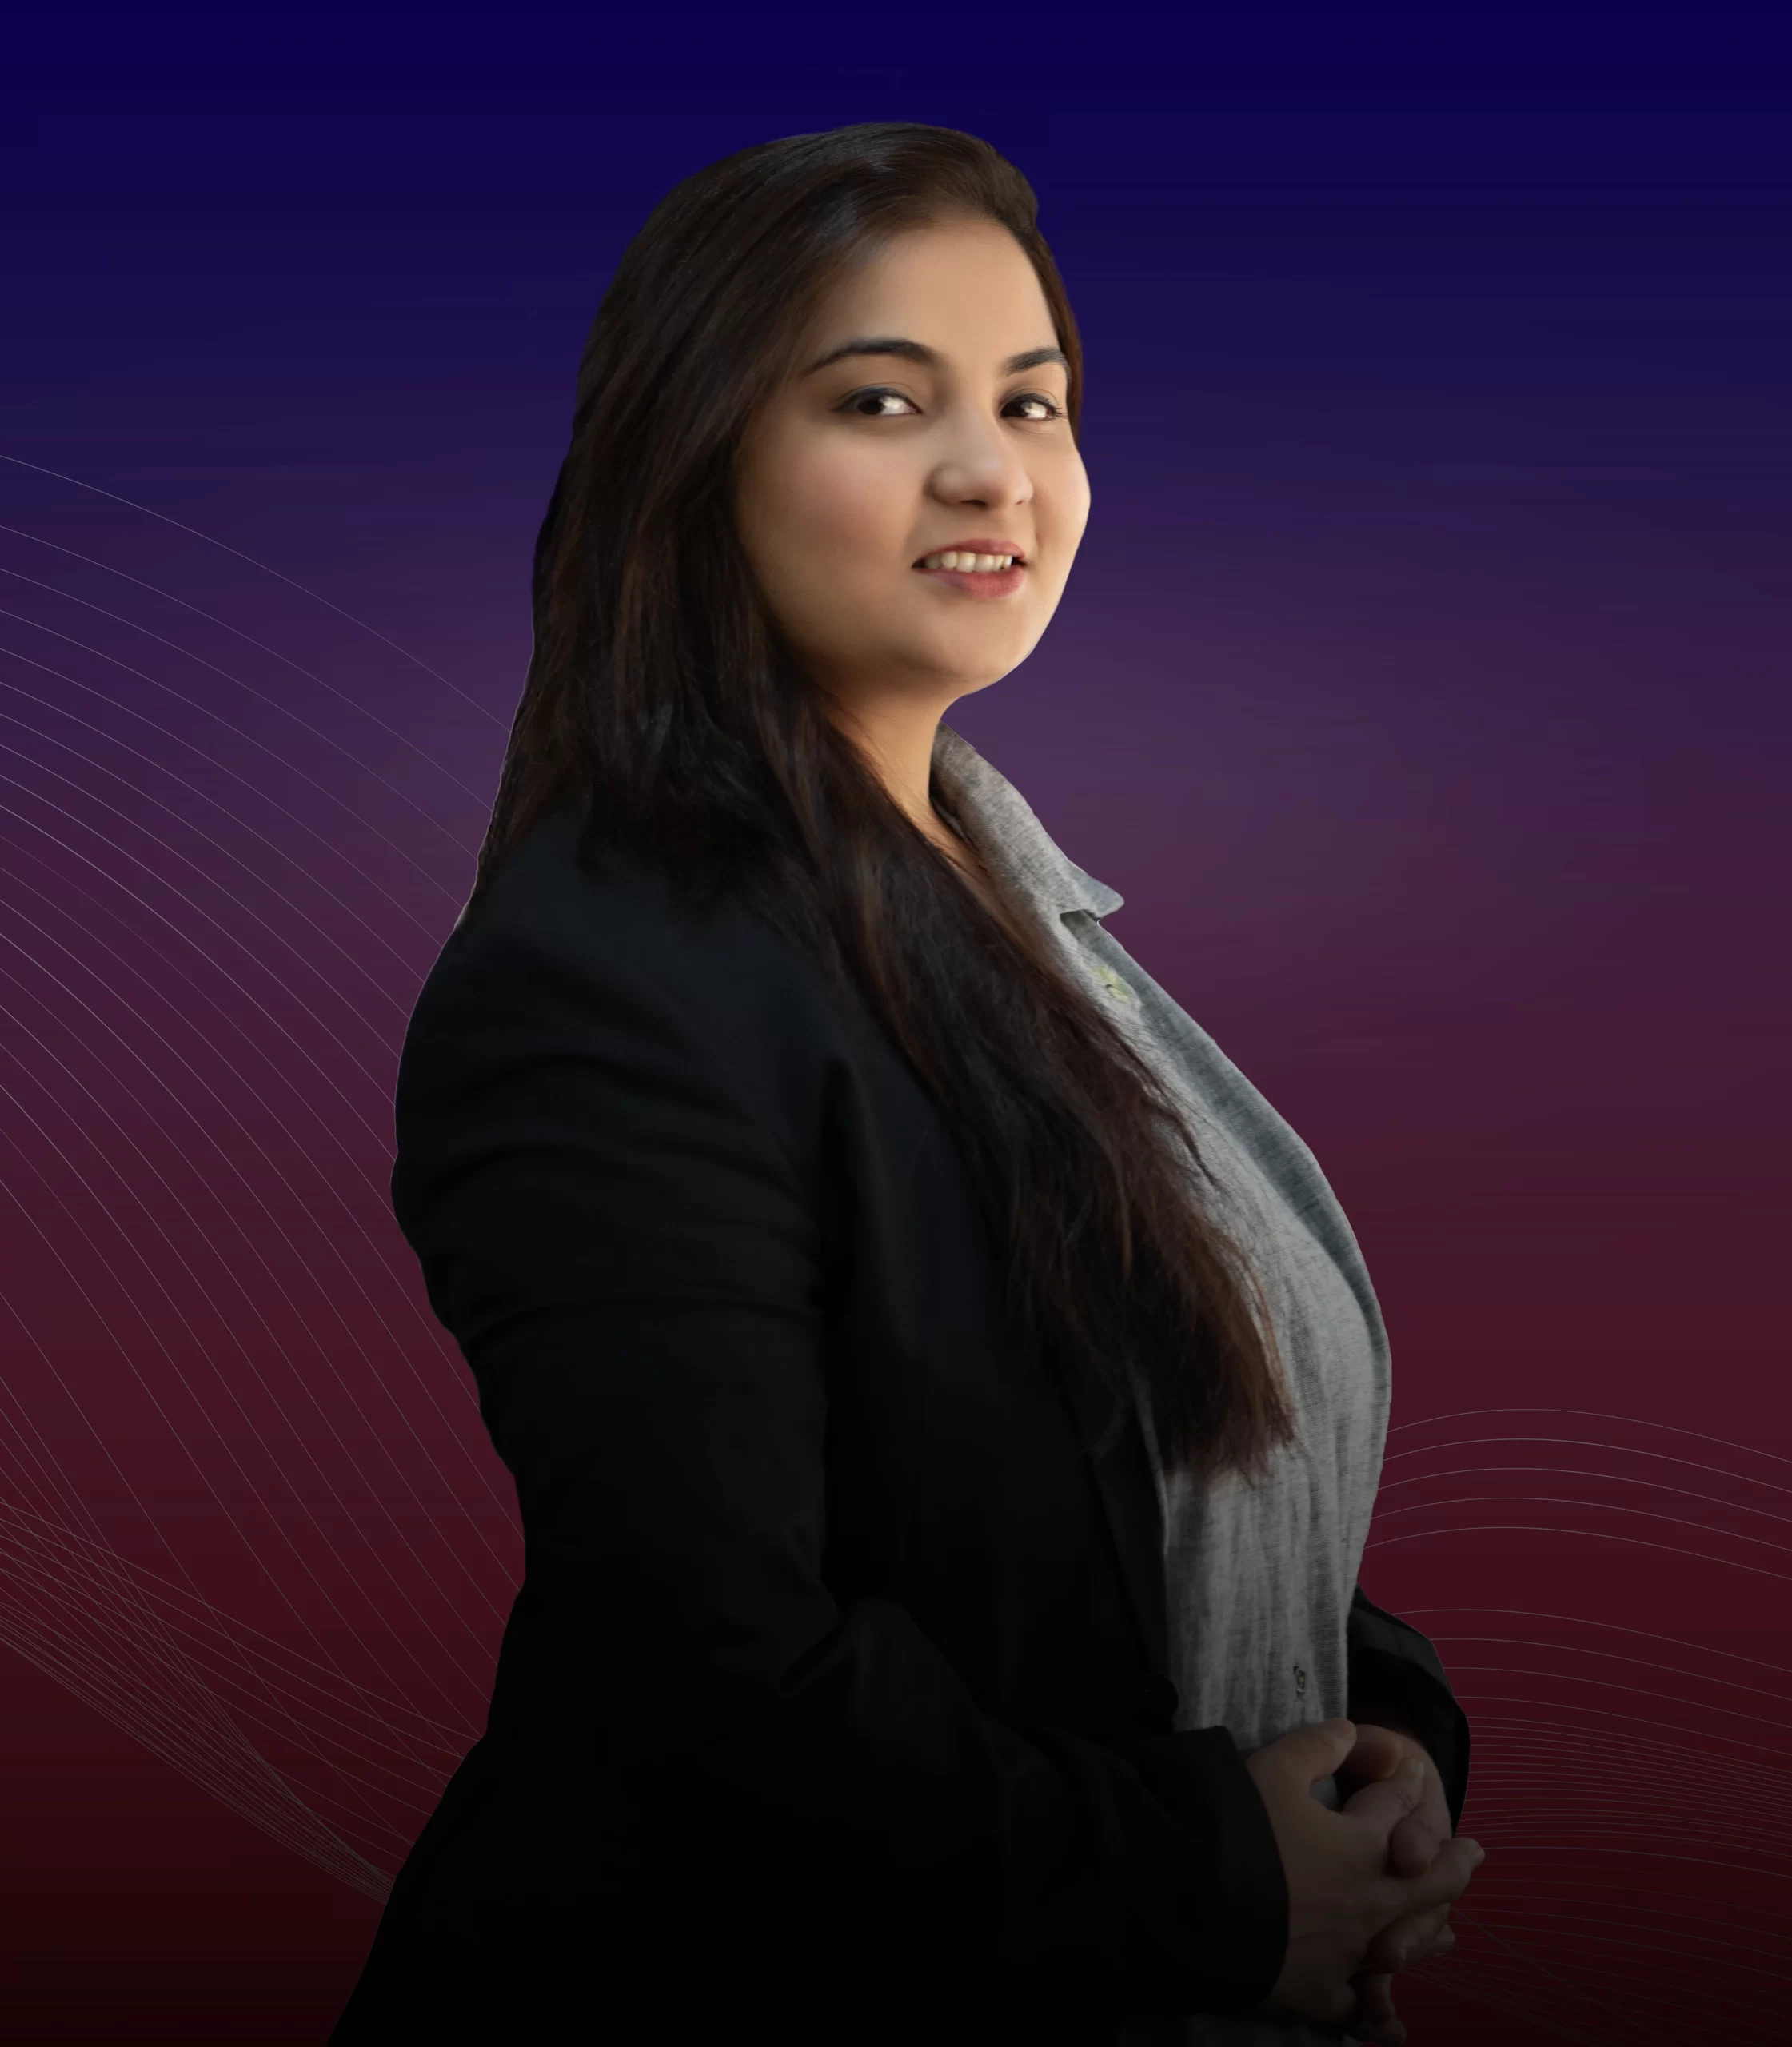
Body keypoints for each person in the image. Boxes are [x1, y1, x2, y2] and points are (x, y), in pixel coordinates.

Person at [327, 121, 1486, 2046]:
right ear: (694, 458)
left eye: (1033, 404)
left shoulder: (1028, 921)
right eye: (882, 399)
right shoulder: (604, 980)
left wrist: (1383, 1739)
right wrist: (1217, 1871)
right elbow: (711, 1678)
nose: (991, 472)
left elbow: (1160, 1477)